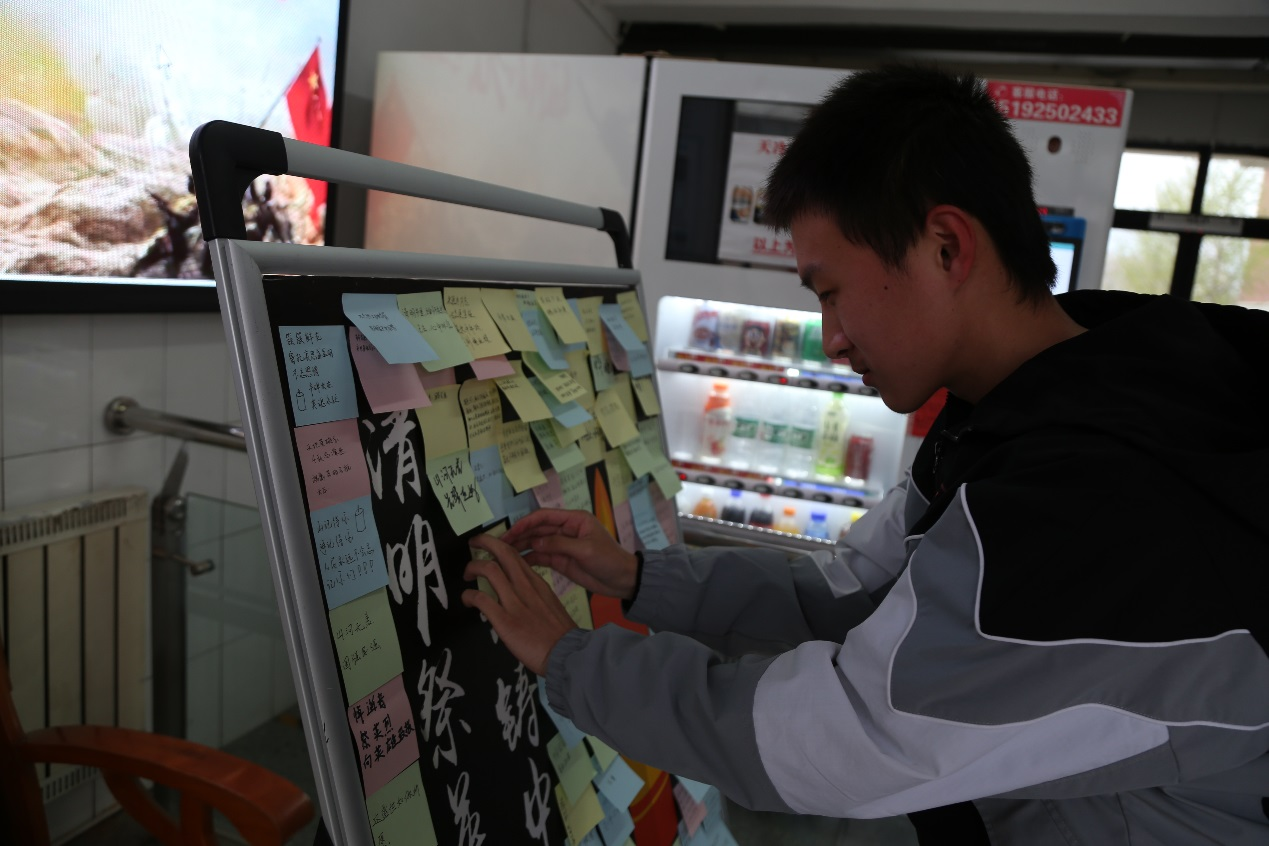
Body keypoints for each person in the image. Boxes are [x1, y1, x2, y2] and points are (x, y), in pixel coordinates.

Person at [461, 65, 1269, 845]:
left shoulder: (1094, 496)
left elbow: (837, 737)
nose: (832, 338)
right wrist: (641, 579)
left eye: (829, 291)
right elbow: (852, 589)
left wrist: (570, 658)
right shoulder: (1033, 408)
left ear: (946, 247)